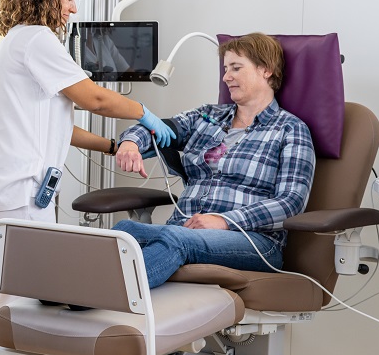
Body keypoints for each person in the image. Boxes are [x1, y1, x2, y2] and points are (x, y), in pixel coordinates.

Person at [0, 0, 176, 355]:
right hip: (17, 188)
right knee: (18, 302)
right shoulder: (37, 39)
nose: (73, 7)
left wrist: (112, 144)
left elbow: (60, 120)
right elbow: (94, 100)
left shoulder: (20, 41)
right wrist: (144, 113)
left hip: (9, 186)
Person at [113, 32, 316, 289]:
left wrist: (224, 221)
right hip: (185, 228)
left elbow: (291, 202)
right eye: (225, 69)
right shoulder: (209, 116)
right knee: (124, 232)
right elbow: (157, 128)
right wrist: (131, 142)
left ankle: (98, 296)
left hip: (253, 240)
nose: (226, 77)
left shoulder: (290, 129)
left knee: (176, 239)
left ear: (266, 70)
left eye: (236, 68)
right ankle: (65, 292)